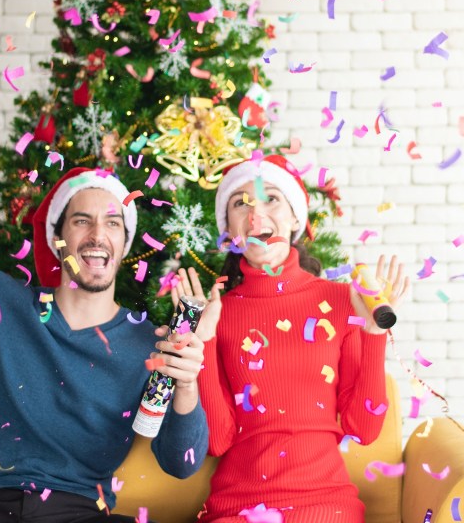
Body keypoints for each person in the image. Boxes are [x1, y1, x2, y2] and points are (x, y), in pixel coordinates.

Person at [0, 65, 209, 523]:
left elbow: (180, 465)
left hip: (78, 512)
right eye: (82, 220)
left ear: (125, 246)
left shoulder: (150, 343)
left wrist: (186, 385)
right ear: (58, 238)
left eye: (112, 223)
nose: (97, 235)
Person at [174, 154, 409, 523]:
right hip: (237, 510)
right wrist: (202, 343)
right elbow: (218, 441)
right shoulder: (217, 315)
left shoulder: (340, 299)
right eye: (240, 203)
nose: (256, 215)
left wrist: (374, 333)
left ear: (296, 218)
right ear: (229, 230)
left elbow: (364, 429)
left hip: (326, 508)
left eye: (271, 198)